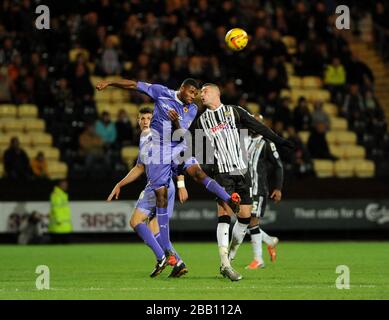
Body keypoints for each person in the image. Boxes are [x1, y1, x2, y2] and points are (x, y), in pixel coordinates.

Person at [97, 77, 240, 276]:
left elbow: (181, 134)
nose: (193, 97)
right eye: (191, 93)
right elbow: (134, 85)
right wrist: (110, 82)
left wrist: (175, 122)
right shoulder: (161, 92)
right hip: (159, 152)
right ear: (182, 88)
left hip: (178, 145)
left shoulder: (191, 109)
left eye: (196, 94)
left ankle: (229, 199)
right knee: (160, 197)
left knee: (198, 173)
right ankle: (169, 253)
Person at [197, 83, 293, 281]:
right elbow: (200, 150)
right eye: (200, 93)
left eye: (205, 91)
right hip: (222, 173)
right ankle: (225, 263)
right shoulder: (201, 120)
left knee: (245, 218)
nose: (201, 95)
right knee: (224, 214)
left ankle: (230, 257)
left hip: (242, 171)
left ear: (216, 93)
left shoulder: (234, 111)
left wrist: (279, 140)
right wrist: (209, 170)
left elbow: (258, 126)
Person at [107, 107, 188, 278]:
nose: (145, 121)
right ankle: (178, 262)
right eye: (142, 118)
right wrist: (120, 184)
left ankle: (162, 258)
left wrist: (182, 183)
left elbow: (181, 153)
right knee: (154, 227)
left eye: (148, 118)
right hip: (166, 185)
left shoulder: (155, 135)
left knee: (136, 221)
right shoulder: (144, 138)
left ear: (154, 120)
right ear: (137, 121)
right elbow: (139, 167)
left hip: (158, 185)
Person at [236, 114, 283, 270]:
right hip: (245, 189)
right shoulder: (244, 141)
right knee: (248, 222)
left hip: (258, 189)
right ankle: (269, 241)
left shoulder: (267, 144)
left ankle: (258, 259)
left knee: (252, 221)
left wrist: (278, 188)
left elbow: (278, 166)